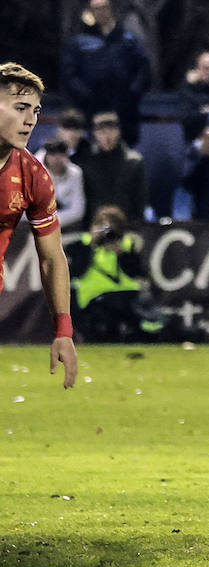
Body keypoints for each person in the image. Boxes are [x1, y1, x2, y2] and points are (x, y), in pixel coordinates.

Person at [0, 63, 78, 388]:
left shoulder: (34, 175)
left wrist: (63, 330)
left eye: (35, 110)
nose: (30, 119)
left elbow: (51, 257)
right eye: (20, 108)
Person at [66, 205, 174, 342]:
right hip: (94, 299)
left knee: (148, 315)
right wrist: (92, 247)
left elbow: (137, 274)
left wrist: (121, 254)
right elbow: (76, 272)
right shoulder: (79, 246)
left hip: (127, 296)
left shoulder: (126, 246)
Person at [60, 0, 150, 147]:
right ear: (90, 11)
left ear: (111, 9)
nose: (101, 12)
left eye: (104, 8)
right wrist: (86, 96)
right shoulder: (78, 42)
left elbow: (143, 69)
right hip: (90, 109)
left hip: (124, 108)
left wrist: (131, 94)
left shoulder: (128, 40)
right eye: (96, 8)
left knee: (124, 150)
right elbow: (69, 75)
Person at [80, 111, 147, 223]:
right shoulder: (85, 161)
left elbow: (140, 199)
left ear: (118, 131)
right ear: (95, 134)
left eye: (111, 131)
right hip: (93, 226)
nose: (107, 136)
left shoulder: (134, 162)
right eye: (102, 132)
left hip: (126, 225)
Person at [41, 140, 86, 229]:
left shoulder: (75, 173)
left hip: (65, 225)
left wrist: (51, 222)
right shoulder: (34, 173)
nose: (57, 159)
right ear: (46, 156)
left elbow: (78, 211)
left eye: (61, 155)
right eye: (53, 155)